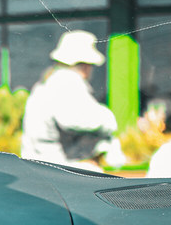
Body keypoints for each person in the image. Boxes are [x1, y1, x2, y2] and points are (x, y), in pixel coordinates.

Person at [21, 30, 119, 169]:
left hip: (40, 166)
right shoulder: (67, 80)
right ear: (85, 65)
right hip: (56, 168)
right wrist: (107, 120)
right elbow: (75, 119)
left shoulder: (49, 80)